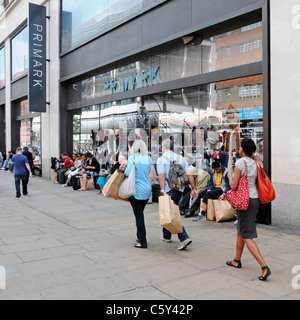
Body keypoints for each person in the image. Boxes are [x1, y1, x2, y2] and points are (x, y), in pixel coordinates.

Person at [226, 138, 271, 281]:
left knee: (246, 235)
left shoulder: (240, 163)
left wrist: (231, 177)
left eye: (240, 147)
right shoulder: (256, 163)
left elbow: (234, 186)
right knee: (241, 230)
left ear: (243, 149)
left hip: (244, 201)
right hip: (254, 199)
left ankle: (264, 267)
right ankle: (236, 260)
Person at [156, 139, 194, 250]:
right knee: (170, 210)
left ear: (164, 147)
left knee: (171, 214)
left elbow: (162, 175)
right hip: (179, 189)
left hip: (169, 190)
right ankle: (166, 236)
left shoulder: (161, 159)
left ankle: (184, 237)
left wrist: (163, 191)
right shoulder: (180, 158)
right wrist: (193, 188)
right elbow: (189, 173)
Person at [122, 139, 152, 249]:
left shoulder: (132, 158)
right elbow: (147, 172)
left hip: (136, 190)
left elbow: (127, 172)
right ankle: (139, 237)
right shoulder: (148, 159)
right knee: (140, 214)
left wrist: (124, 167)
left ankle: (142, 241)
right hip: (147, 189)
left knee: (139, 216)